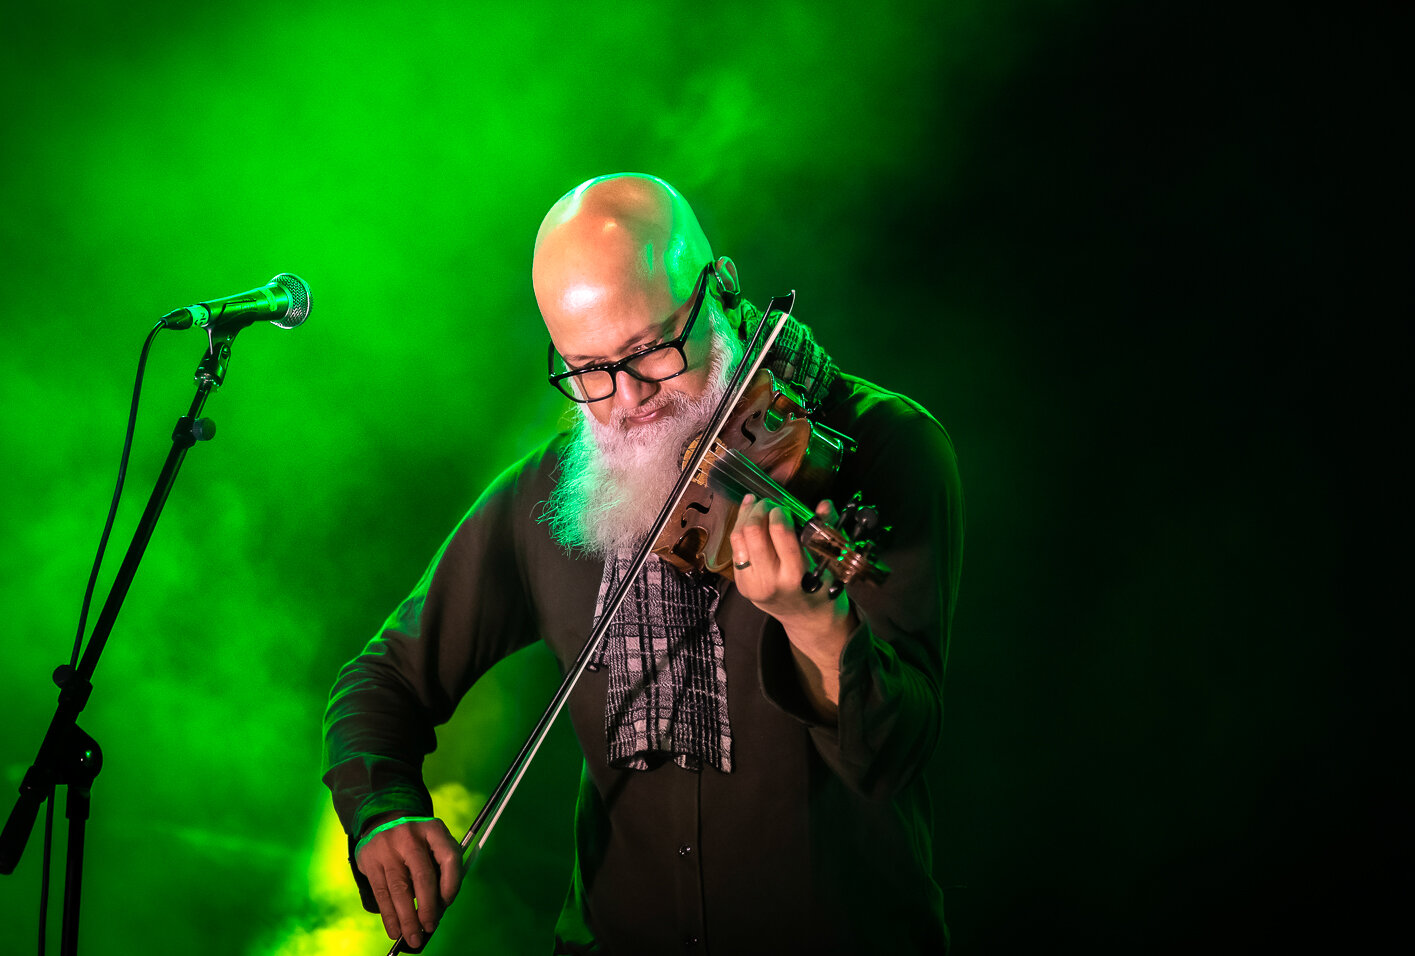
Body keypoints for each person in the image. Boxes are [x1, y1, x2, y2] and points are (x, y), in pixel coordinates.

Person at [322, 173, 964, 955]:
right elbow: (381, 680)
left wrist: (814, 625)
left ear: (721, 289)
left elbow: (894, 753)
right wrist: (383, 807)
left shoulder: (888, 447)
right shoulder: (556, 490)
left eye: (651, 351)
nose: (626, 399)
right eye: (587, 370)